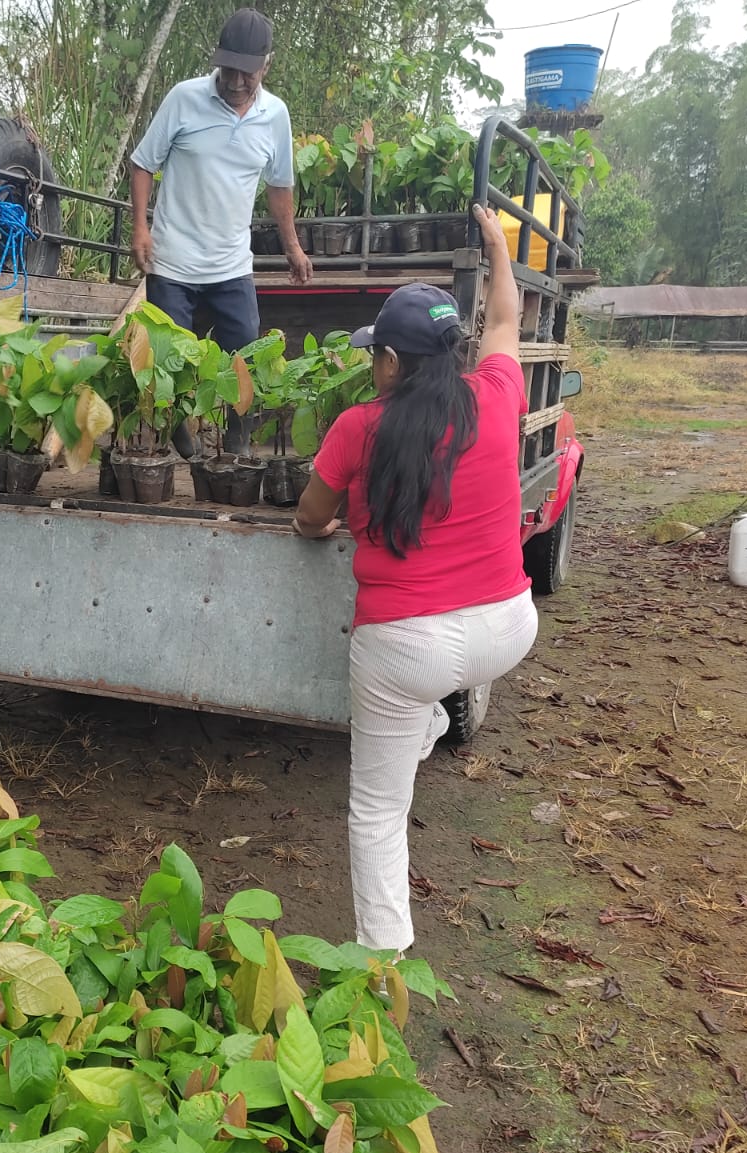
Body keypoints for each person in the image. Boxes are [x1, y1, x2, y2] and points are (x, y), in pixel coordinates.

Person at [292, 204, 539, 958]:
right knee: (426, 696)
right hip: (507, 628)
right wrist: (500, 249)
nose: (373, 365)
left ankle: (383, 964)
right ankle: (430, 723)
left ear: (392, 363)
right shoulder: (496, 395)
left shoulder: (358, 426)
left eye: (376, 354)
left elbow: (309, 517)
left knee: (377, 812)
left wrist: (324, 528)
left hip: (407, 646)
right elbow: (506, 320)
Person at [128, 7, 312, 457]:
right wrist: (140, 228)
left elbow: (279, 186)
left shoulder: (275, 115)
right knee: (168, 362)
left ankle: (237, 442)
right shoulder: (184, 98)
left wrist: (292, 246)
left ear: (266, 66)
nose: (236, 81)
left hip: (231, 264)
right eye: (229, 69)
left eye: (247, 72)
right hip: (172, 261)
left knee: (244, 356)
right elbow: (143, 163)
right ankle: (180, 439)